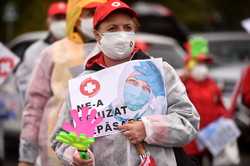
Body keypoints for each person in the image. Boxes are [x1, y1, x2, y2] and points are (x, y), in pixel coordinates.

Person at [51, 1, 200, 165]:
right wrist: (75, 156)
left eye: (127, 27)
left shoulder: (161, 72)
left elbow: (189, 122)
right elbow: (61, 137)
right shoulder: (84, 84)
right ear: (97, 35)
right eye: (112, 28)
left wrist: (149, 128)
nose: (121, 34)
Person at [18, 0, 106, 166]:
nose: (94, 18)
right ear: (75, 15)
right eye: (88, 13)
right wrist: (26, 157)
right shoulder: (52, 53)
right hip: (57, 148)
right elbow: (34, 107)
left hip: (103, 149)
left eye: (98, 12)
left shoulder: (113, 53)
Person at [181, 37, 230, 165]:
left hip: (213, 138)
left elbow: (221, 107)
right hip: (191, 141)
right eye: (199, 63)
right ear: (190, 64)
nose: (202, 67)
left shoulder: (212, 84)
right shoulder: (183, 84)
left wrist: (225, 121)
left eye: (204, 64)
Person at [15, 1, 67, 101]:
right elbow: (23, 84)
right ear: (48, 21)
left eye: (64, 18)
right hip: (44, 110)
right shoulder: (33, 51)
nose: (61, 22)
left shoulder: (78, 48)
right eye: (57, 18)